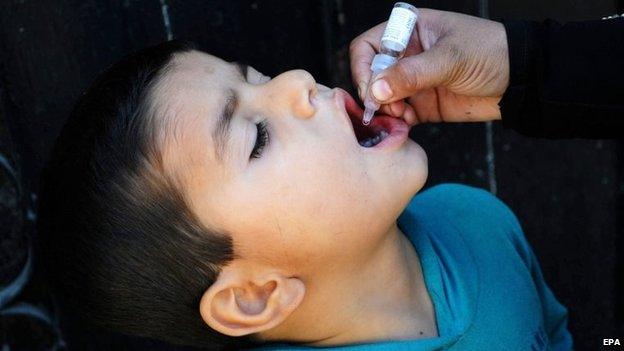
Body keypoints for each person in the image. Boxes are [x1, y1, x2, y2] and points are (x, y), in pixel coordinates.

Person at [37, 40, 572, 350]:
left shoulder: (472, 215)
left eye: (258, 76)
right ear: (255, 295)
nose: (296, 80)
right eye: (257, 138)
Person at [350, 8, 624, 138]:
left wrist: (524, 66)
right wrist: (523, 68)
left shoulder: (476, 211)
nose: (305, 82)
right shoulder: (475, 210)